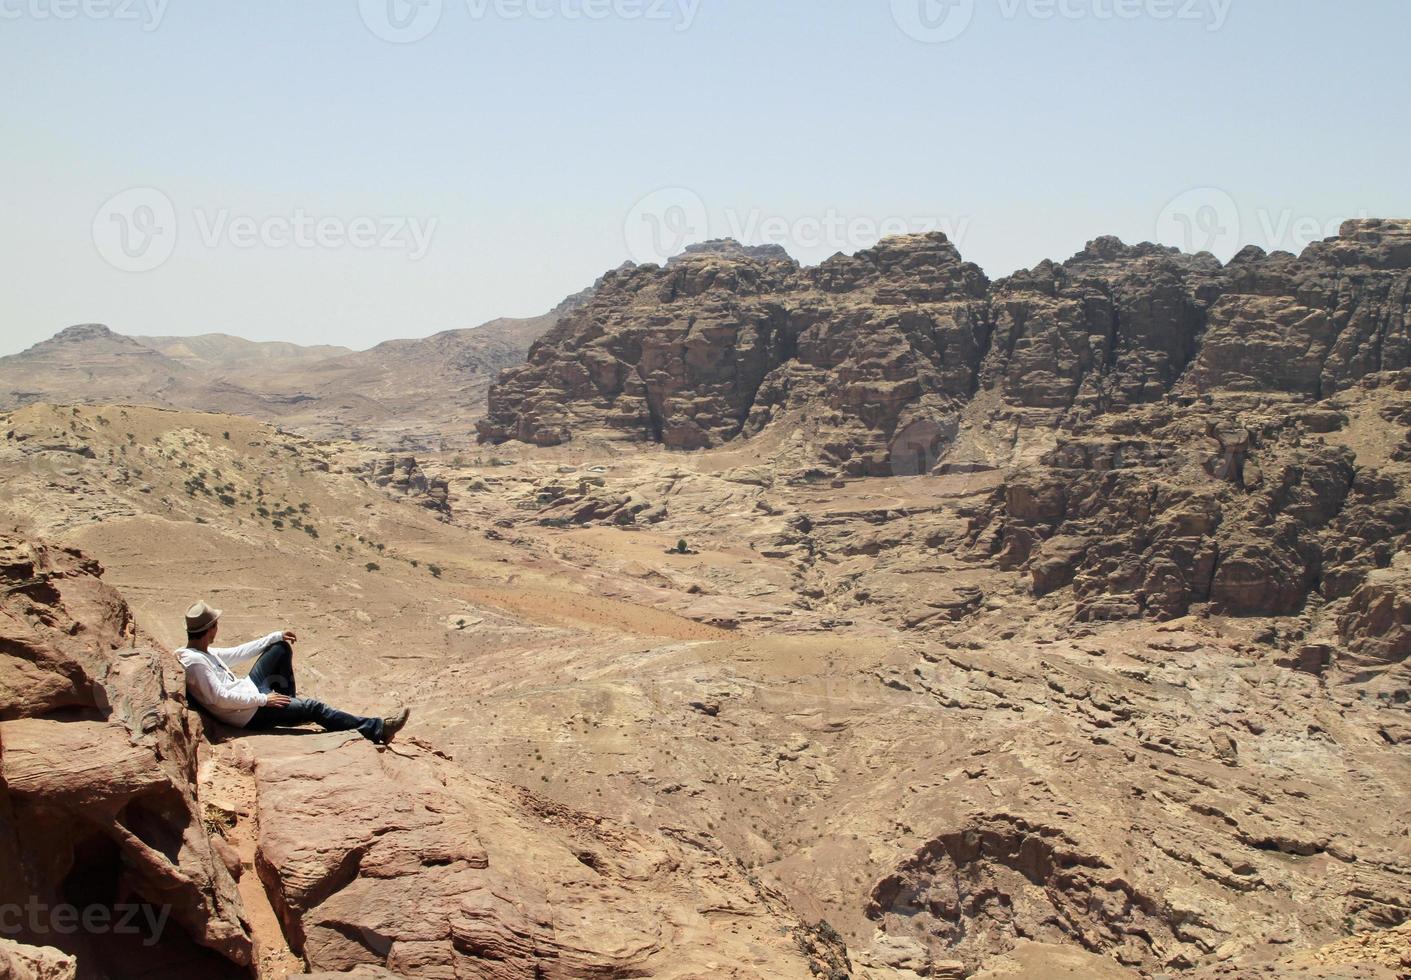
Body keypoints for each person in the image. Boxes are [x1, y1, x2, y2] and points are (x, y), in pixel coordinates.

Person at [177, 600, 409, 744]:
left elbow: (238, 653)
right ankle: (378, 729)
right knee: (316, 708)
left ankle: (291, 708)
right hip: (249, 713)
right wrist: (263, 699)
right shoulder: (196, 664)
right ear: (211, 629)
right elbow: (219, 699)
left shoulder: (203, 652)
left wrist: (275, 636)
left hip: (251, 691)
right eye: (216, 624)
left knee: (279, 648)